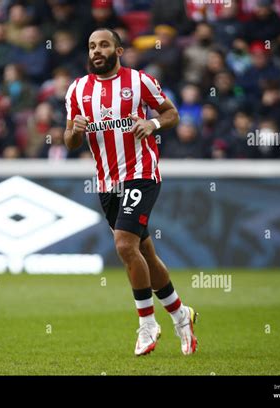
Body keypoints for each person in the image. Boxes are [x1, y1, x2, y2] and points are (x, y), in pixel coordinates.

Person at [64, 28, 198, 356]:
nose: (97, 50)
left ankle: (147, 324)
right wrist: (74, 133)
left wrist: (152, 125)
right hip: (107, 184)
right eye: (92, 45)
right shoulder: (77, 90)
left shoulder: (140, 82)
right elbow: (69, 140)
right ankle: (182, 316)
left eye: (104, 44)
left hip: (141, 174)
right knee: (145, 255)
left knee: (124, 245)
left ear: (119, 50)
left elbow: (171, 114)